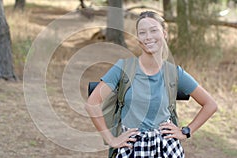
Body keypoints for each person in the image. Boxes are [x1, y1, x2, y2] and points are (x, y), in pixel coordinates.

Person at [85, 11, 218, 158]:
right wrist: (112, 140)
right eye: (142, 33)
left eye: (154, 30)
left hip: (166, 147)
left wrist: (186, 131)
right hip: (132, 146)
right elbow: (92, 103)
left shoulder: (173, 72)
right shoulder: (123, 68)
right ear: (138, 39)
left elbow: (210, 104)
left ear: (164, 34)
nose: (148, 37)